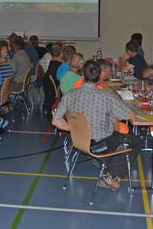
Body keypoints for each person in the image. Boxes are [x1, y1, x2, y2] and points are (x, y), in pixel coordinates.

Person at [51, 60, 136, 190]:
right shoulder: (106, 96)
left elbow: (55, 121)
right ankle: (111, 175)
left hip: (78, 142)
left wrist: (75, 129)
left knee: (114, 137)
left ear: (83, 76)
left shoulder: (70, 95)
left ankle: (105, 163)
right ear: (99, 77)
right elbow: (130, 116)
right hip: (100, 144)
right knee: (134, 140)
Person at [42, 44, 64, 113]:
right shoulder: (61, 67)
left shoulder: (51, 65)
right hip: (57, 95)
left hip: (50, 97)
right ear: (61, 54)